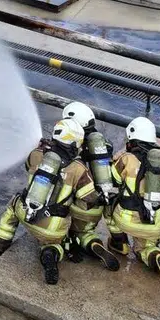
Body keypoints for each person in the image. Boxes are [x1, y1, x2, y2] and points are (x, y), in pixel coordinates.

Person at [0, 118, 106, 285]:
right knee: (57, 240)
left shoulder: (37, 154)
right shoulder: (78, 168)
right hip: (53, 227)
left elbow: (27, 165)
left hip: (26, 214)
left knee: (12, 206)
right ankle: (51, 252)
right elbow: (89, 199)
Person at [107, 116, 160, 289]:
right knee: (144, 249)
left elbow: (112, 180)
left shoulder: (126, 159)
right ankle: (155, 255)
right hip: (154, 221)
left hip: (127, 218)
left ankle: (119, 243)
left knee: (108, 205)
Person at [60, 102, 119, 270]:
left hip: (78, 203)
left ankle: (70, 243)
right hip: (98, 203)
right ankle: (92, 242)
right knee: (85, 232)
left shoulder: (73, 148)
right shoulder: (103, 144)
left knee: (64, 227)